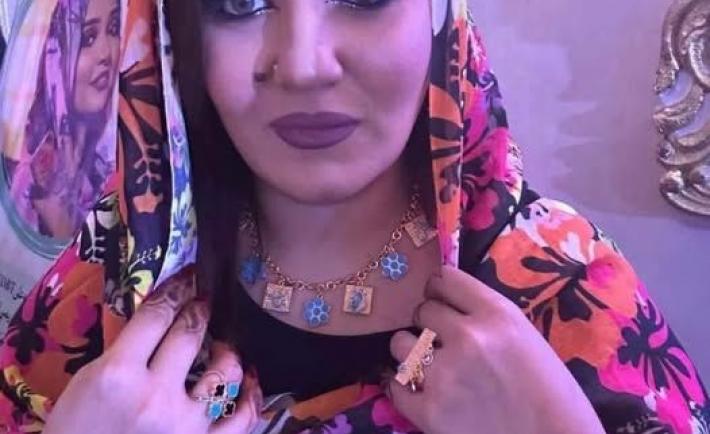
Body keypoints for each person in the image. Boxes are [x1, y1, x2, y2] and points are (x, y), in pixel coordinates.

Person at [0, 0, 707, 433]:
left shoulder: (566, 299)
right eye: (240, 3)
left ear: (440, 14)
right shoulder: (114, 273)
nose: (303, 65)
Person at [1, 0, 119, 240]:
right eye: (87, 38)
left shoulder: (112, 159)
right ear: (53, 56)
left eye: (114, 29)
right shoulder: (28, 180)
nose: (105, 53)